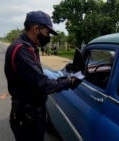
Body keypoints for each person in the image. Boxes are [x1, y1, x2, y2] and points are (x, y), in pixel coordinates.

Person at [4, 10, 80, 141]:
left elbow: (36, 76)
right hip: (27, 118)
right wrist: (69, 81)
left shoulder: (29, 47)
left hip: (33, 114)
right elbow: (42, 84)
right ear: (36, 29)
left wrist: (63, 74)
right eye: (47, 32)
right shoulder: (21, 50)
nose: (49, 36)